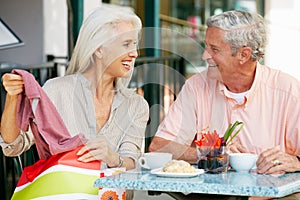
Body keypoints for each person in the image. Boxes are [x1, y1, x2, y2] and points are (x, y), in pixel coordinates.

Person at [149, 10, 300, 199]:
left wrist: (296, 162)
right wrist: (210, 154)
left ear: (243, 54)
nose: (205, 55)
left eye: (214, 49)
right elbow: (160, 147)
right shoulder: (196, 86)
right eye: (206, 46)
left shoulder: (288, 90)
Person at [1, 4, 149, 171]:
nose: (135, 53)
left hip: (112, 197)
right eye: (126, 44)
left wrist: (113, 158)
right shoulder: (56, 91)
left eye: (134, 44)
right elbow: (13, 146)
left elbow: (133, 163)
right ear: (99, 49)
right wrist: (12, 97)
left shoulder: (136, 105)